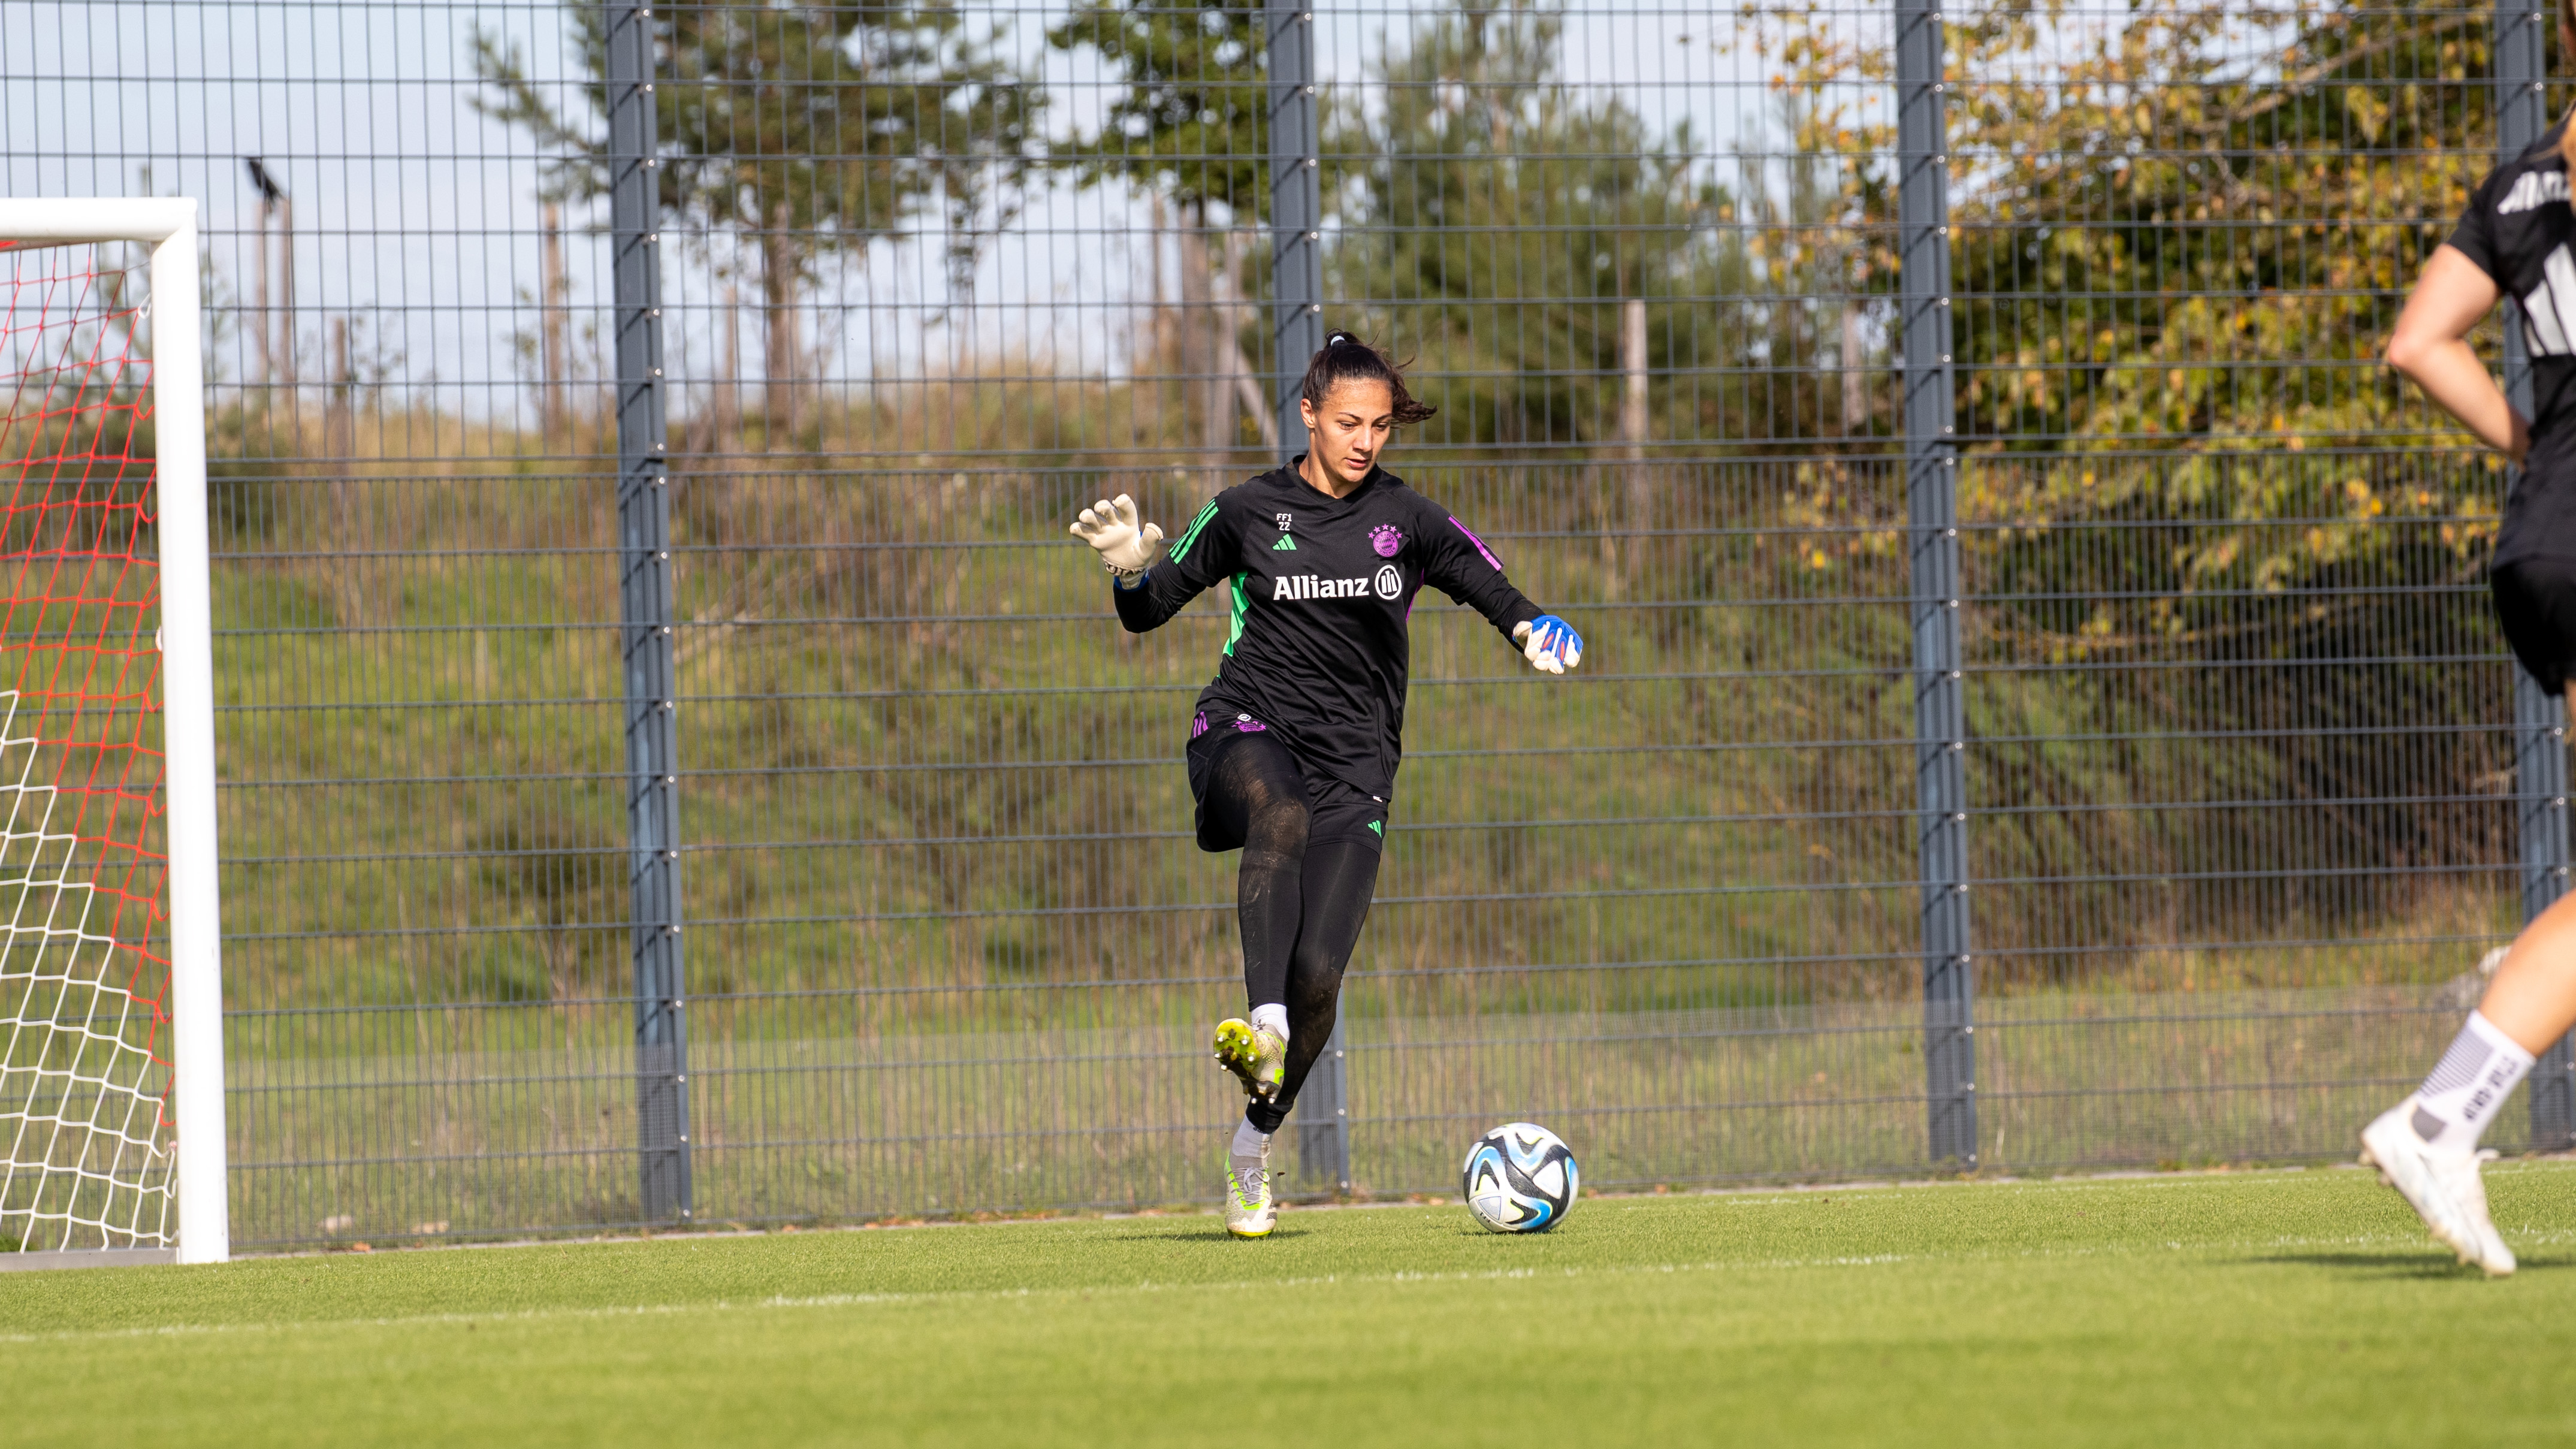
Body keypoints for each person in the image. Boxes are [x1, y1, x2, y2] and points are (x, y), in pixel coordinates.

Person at [1068, 333, 1584, 1238]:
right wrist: (1124, 572)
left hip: (1359, 765)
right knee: (1281, 813)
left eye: (1381, 425)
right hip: (1244, 730)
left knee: (1320, 977)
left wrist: (1533, 627)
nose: (1365, 440)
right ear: (1307, 412)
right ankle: (1261, 1021)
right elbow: (1148, 612)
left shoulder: (1408, 519)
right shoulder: (1245, 510)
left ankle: (1250, 1144)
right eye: (1349, 421)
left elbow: (1490, 584)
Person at [2377, 18, 2576, 1275]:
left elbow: (2413, 341)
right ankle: (2438, 1120)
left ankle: (2440, 1117)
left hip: (2543, 543)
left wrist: (2534, 446)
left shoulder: (2523, 181)